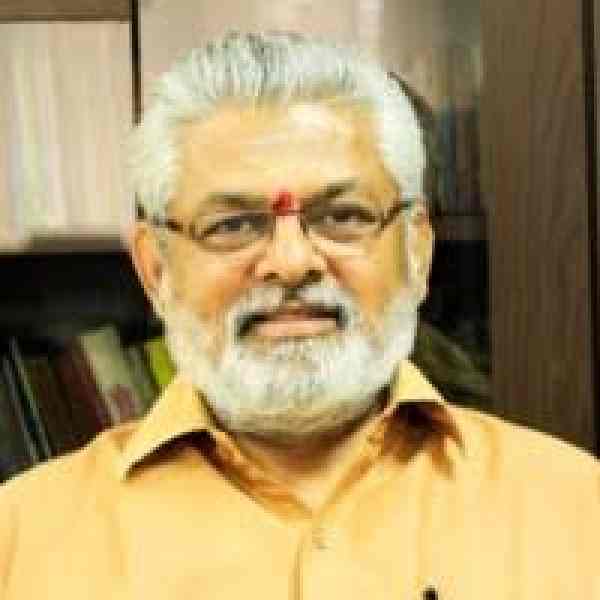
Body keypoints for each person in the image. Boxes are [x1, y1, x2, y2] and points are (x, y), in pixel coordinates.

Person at [1, 31, 599, 600]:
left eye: (342, 216)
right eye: (232, 225)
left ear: (417, 251)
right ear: (155, 268)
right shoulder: (23, 543)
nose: (290, 263)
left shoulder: (575, 514)